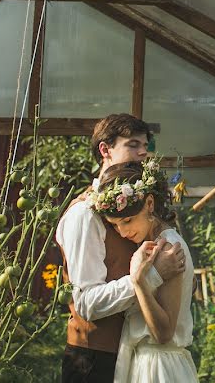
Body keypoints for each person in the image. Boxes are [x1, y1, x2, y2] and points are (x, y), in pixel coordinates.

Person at [56, 114, 185, 382]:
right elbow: (87, 304)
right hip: (93, 361)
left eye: (146, 146)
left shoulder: (140, 209)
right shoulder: (84, 214)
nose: (143, 153)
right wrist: (153, 276)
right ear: (105, 150)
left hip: (133, 356)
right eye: (133, 144)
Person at [89, 160, 196, 382]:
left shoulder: (167, 247)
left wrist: (139, 282)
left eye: (127, 220)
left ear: (149, 203)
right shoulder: (151, 243)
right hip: (145, 363)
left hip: (159, 369)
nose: (123, 231)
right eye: (115, 225)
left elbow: (164, 333)